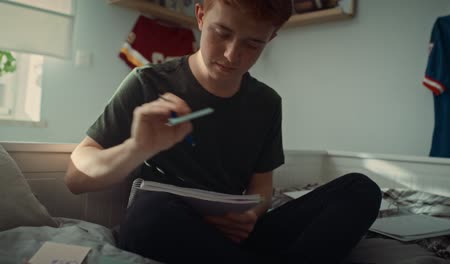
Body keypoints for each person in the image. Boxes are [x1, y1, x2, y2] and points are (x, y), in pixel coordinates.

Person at [65, 0, 382, 263]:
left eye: (252, 43)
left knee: (361, 189)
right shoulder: (148, 82)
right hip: (170, 227)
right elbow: (76, 178)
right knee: (148, 215)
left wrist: (248, 217)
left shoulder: (267, 103)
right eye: (223, 33)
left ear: (271, 39)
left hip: (232, 236)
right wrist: (136, 148)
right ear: (201, 16)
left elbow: (261, 191)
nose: (233, 54)